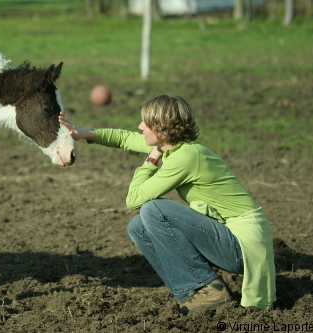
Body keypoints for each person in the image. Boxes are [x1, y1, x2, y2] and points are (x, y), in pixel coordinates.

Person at [58, 94, 276, 315]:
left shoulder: (186, 157)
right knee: (138, 226)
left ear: (162, 131)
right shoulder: (176, 146)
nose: (140, 126)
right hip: (228, 239)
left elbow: (133, 199)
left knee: (154, 210)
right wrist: (84, 133)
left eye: (146, 123)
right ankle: (194, 293)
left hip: (243, 248)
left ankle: (206, 288)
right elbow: (125, 138)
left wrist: (151, 159)